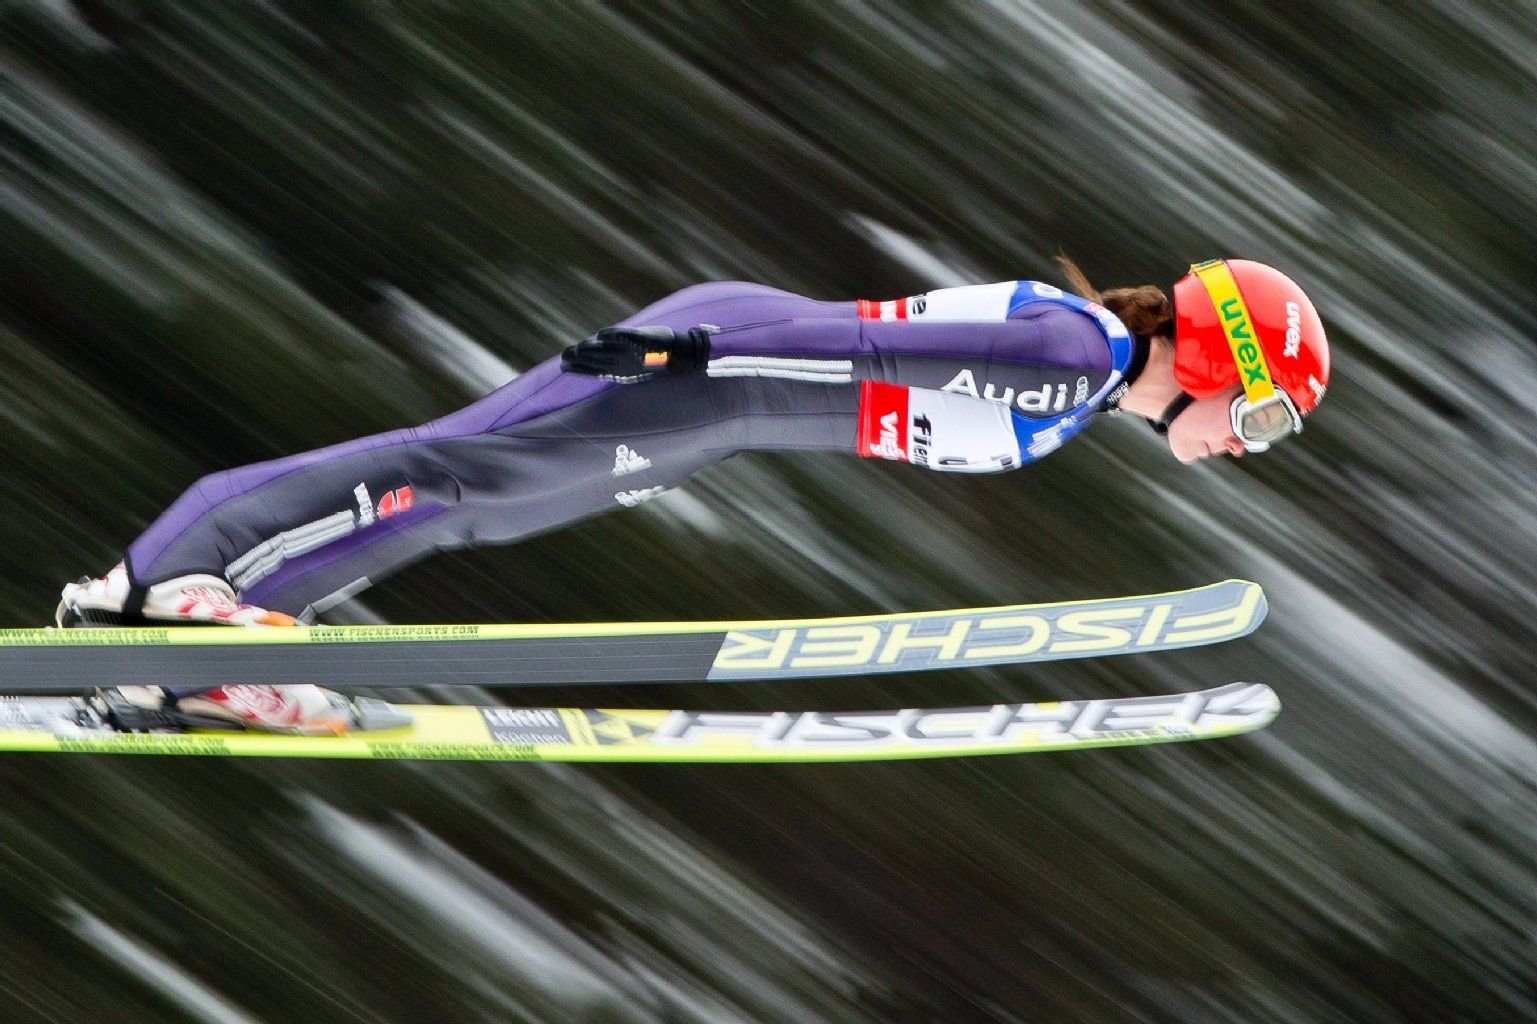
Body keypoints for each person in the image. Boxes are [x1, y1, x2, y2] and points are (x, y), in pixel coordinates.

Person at [57, 256, 1330, 733]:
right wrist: (690, 361)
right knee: (455, 480)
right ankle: (167, 597)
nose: (1246, 441)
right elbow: (854, 357)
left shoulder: (1081, 386)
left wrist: (707, 370)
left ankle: (200, 630)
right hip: (719, 380)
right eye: (1261, 412)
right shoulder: (1074, 356)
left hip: (723, 396)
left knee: (463, 487)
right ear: (1219, 357)